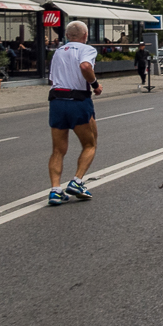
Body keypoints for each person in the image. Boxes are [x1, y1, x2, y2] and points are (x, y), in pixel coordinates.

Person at [46, 20, 103, 206]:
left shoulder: (58, 52)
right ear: (85, 36)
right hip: (78, 100)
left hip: (56, 101)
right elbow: (86, 67)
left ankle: (55, 190)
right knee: (90, 143)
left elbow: (52, 79)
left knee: (58, 150)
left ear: (68, 36)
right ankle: (77, 182)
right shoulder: (86, 49)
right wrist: (95, 85)